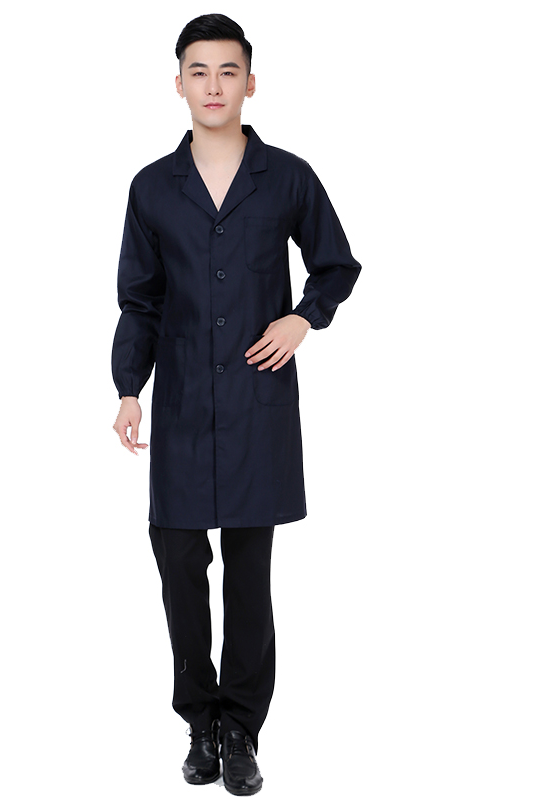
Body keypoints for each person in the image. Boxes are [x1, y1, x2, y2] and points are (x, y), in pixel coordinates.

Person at [111, 13, 361, 795]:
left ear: (251, 82)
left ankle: (242, 728)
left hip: (258, 405)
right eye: (199, 71)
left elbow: (336, 264)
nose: (213, 86)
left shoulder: (286, 177)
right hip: (183, 407)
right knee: (179, 564)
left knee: (250, 575)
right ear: (178, 83)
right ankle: (200, 721)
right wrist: (128, 388)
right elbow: (140, 300)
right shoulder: (153, 188)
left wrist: (302, 318)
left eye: (228, 71)